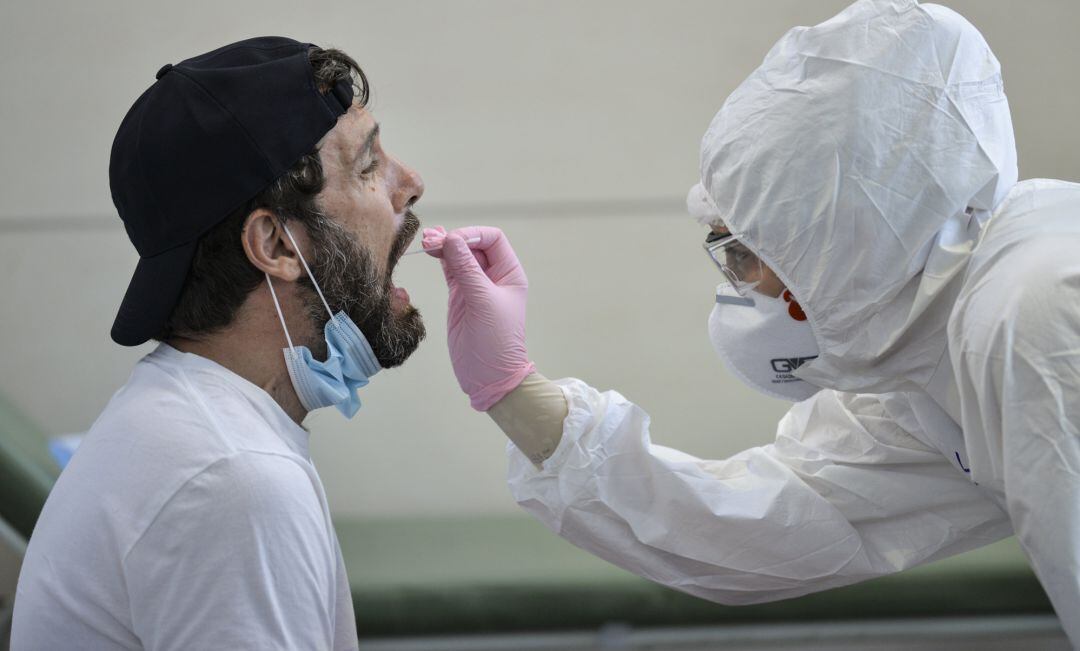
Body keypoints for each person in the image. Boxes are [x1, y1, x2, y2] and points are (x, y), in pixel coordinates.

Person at [424, 0, 1080, 644]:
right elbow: (768, 523)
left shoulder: (1033, 311)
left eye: (743, 252)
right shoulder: (927, 360)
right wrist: (513, 389)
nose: (739, 284)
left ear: (842, 239)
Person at [12, 37, 424, 649]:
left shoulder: (186, 418)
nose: (411, 184)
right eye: (368, 166)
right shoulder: (234, 480)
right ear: (277, 245)